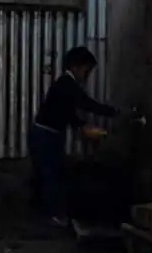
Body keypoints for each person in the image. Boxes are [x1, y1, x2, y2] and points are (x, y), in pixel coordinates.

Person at [29, 46, 119, 227]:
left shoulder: (65, 85)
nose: (87, 75)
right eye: (87, 70)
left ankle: (51, 215)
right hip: (46, 136)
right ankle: (55, 216)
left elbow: (67, 112)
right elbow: (85, 104)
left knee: (50, 175)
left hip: (46, 135)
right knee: (52, 175)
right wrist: (114, 112)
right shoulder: (67, 84)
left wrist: (81, 125)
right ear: (76, 67)